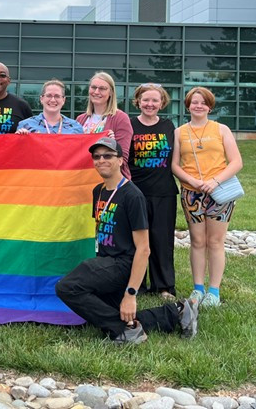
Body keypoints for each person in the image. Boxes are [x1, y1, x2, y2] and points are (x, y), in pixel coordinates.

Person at [55, 137, 199, 345]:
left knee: (67, 287)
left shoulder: (133, 196)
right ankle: (179, 311)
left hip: (123, 265)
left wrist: (131, 293)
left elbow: (143, 249)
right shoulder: (99, 191)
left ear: (121, 160)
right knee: (113, 314)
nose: (101, 160)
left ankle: (127, 332)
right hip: (106, 261)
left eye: (108, 156)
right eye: (97, 156)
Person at [172, 87, 243, 308]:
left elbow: (236, 162)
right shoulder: (179, 132)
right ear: (188, 105)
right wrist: (193, 182)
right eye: (194, 102)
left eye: (203, 102)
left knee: (215, 241)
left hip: (219, 194)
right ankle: (198, 288)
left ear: (209, 106)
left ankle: (214, 291)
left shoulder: (221, 129)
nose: (198, 106)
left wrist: (215, 181)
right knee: (197, 241)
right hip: (191, 194)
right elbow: (174, 164)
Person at [128, 83, 179, 300]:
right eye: (145, 100)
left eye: (154, 100)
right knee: (134, 241)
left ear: (162, 103)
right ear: (138, 101)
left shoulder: (169, 126)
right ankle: (136, 285)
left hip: (164, 192)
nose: (150, 104)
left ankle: (164, 286)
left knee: (162, 240)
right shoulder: (129, 126)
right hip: (135, 192)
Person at [76, 72, 132, 178]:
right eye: (94, 87)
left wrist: (114, 145)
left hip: (110, 182)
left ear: (111, 92)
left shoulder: (120, 118)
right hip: (85, 180)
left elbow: (123, 160)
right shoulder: (80, 119)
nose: (97, 92)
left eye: (102, 88)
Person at [16, 79, 83, 134]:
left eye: (57, 96)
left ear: (63, 100)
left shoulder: (76, 128)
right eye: (48, 96)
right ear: (41, 99)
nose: (53, 100)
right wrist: (19, 138)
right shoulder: (26, 125)